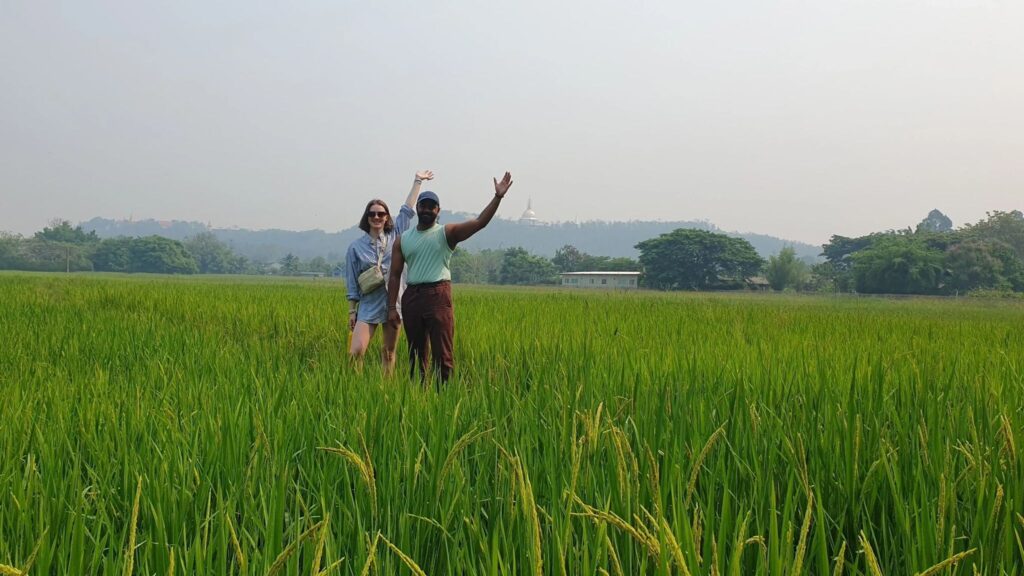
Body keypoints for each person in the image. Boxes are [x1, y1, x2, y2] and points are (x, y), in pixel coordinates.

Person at [387, 171, 514, 383]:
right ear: (417, 208)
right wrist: (392, 308)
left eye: (431, 207)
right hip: (412, 297)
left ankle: (443, 399)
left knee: (443, 355)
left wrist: (498, 197)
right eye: (423, 206)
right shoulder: (403, 239)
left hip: (438, 296)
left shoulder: (446, 232)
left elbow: (480, 222)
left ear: (438, 211)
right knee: (416, 355)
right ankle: (419, 398)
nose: (426, 210)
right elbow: (394, 276)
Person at [345, 170, 433, 372]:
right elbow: (351, 282)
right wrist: (352, 310)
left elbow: (407, 209)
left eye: (381, 214)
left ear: (386, 218)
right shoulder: (355, 248)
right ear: (367, 218)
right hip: (369, 304)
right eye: (372, 214)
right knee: (355, 352)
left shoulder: (396, 234)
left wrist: (418, 181)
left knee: (389, 352)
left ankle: (386, 392)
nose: (377, 217)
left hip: (395, 303)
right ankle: (353, 390)